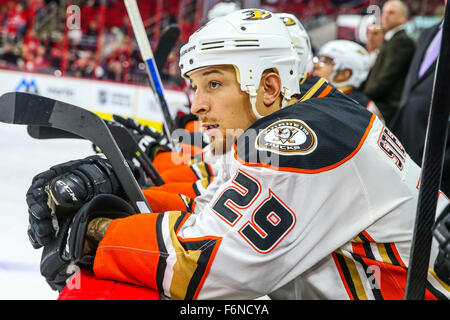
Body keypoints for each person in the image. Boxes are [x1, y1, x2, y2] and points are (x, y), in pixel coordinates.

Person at [26, 9, 449, 300]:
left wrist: (98, 231)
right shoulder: (311, 114)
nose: (196, 106)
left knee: (110, 288)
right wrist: (116, 191)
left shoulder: (301, 135)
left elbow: (206, 266)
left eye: (213, 84)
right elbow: (210, 208)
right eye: (195, 87)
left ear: (267, 86)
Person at [389, 15, 450, 195]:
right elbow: (413, 87)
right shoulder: (428, 33)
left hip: (438, 159)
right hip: (408, 140)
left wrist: (441, 163)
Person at [362, 0, 415, 126]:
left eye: (391, 13)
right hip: (379, 104)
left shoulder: (402, 41)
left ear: (403, 18)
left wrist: (364, 97)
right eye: (384, 12)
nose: (385, 16)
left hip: (387, 108)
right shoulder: (391, 39)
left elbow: (387, 78)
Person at [312, 39, 385, 123]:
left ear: (343, 74)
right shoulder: (325, 95)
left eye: (325, 61)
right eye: (319, 59)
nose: (316, 65)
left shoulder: (358, 106)